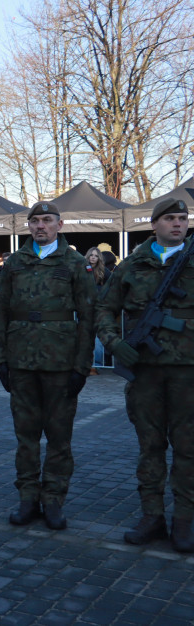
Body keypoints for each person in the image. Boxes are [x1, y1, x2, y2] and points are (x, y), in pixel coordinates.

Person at [96, 198, 194, 552]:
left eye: (183, 219)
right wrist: (113, 342)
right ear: (154, 224)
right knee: (149, 447)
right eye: (170, 218)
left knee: (188, 449)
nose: (178, 224)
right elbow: (105, 307)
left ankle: (185, 519)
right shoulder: (133, 263)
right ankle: (152, 516)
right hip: (145, 372)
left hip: (188, 371)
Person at [0, 201, 96, 530]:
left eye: (47, 220)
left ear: (59, 225)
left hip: (60, 362)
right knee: (26, 437)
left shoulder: (75, 263)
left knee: (59, 438)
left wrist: (82, 366)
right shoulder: (15, 263)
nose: (40, 226)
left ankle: (53, 499)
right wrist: (1, 360)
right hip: (21, 362)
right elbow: (1, 312)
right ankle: (27, 497)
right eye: (35, 220)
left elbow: (89, 317)